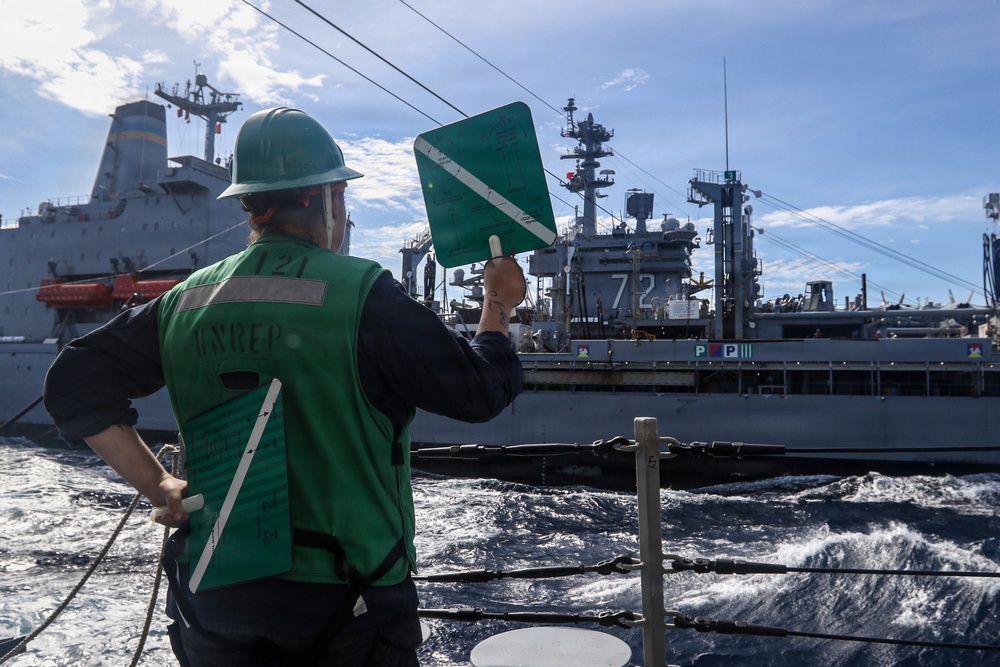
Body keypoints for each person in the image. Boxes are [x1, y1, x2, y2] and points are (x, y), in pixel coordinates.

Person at [43, 107, 526, 666]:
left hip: (213, 593)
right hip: (347, 598)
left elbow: (72, 381)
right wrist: (498, 303)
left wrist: (158, 486)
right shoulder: (363, 293)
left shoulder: (184, 299)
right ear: (326, 198)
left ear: (250, 205)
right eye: (341, 196)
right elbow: (480, 393)